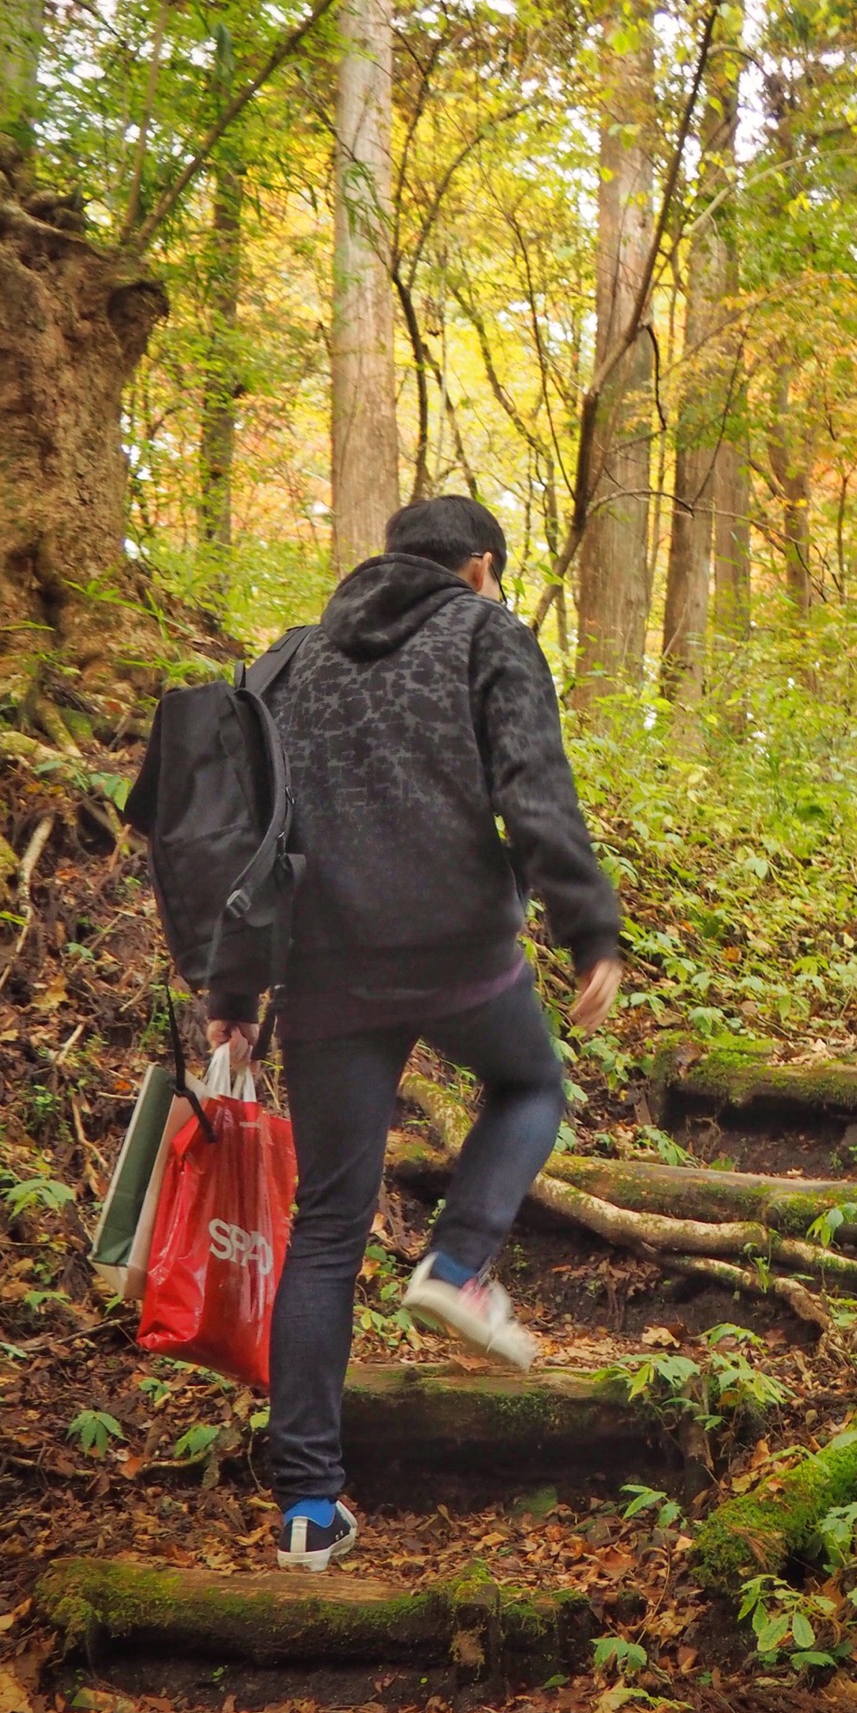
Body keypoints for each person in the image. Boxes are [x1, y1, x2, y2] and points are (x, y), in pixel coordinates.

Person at [206, 495, 622, 1572]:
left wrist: (235, 997)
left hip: (324, 971)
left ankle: (306, 1509)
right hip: (456, 952)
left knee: (328, 1228)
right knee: (532, 1090)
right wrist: (591, 933)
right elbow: (534, 790)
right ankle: (460, 1262)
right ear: (479, 567)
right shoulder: (490, 634)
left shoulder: (295, 659)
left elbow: (247, 844)